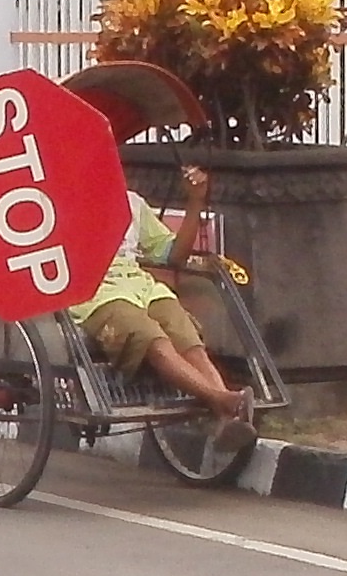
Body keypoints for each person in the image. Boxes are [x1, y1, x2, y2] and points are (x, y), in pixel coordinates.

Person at [70, 166, 249, 421]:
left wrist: (195, 201)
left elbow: (173, 255)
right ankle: (220, 399)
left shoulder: (131, 203)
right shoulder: (56, 207)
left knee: (188, 340)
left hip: (141, 286)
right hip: (95, 292)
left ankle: (227, 414)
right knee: (153, 339)